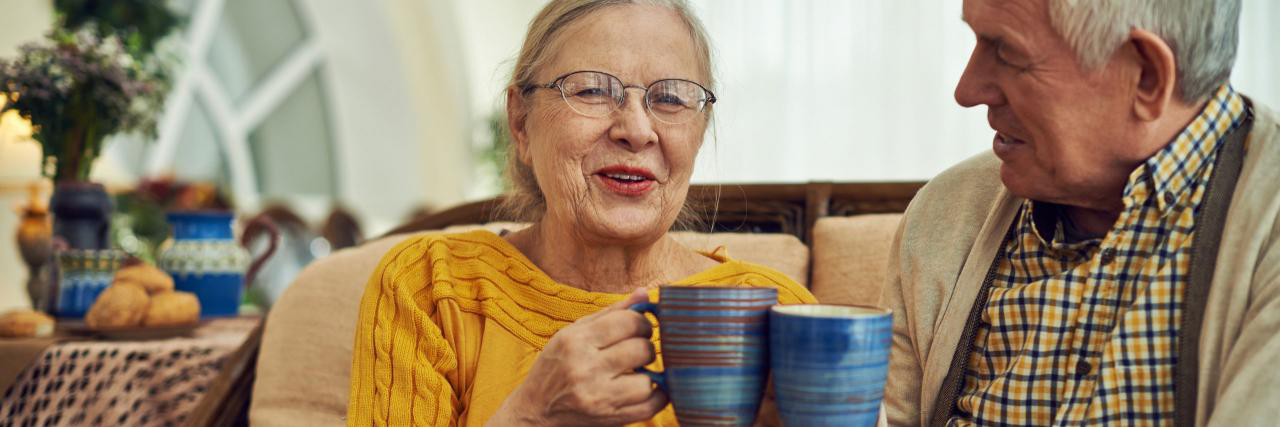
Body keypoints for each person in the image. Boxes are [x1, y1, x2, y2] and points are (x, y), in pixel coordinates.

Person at [345, 1, 816, 425]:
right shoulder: (428, 286)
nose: (637, 130)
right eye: (592, 91)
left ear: (700, 131)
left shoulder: (778, 313)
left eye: (671, 98)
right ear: (520, 122)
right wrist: (530, 415)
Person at [884, 0, 1280, 425]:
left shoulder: (1267, 233)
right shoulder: (946, 211)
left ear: (1145, 76)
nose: (967, 90)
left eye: (1007, 52)